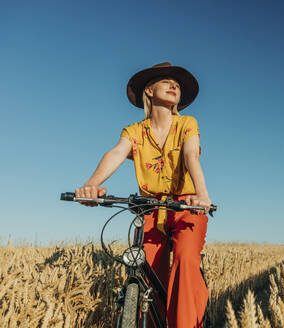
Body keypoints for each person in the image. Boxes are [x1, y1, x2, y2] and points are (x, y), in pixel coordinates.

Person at [75, 62, 212, 328]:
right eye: (166, 82)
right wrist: (91, 184)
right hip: (149, 207)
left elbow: (190, 155)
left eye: (177, 85)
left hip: (187, 205)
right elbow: (116, 153)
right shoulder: (134, 132)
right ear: (149, 91)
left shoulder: (186, 124)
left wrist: (202, 195)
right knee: (146, 269)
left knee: (185, 259)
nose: (174, 86)